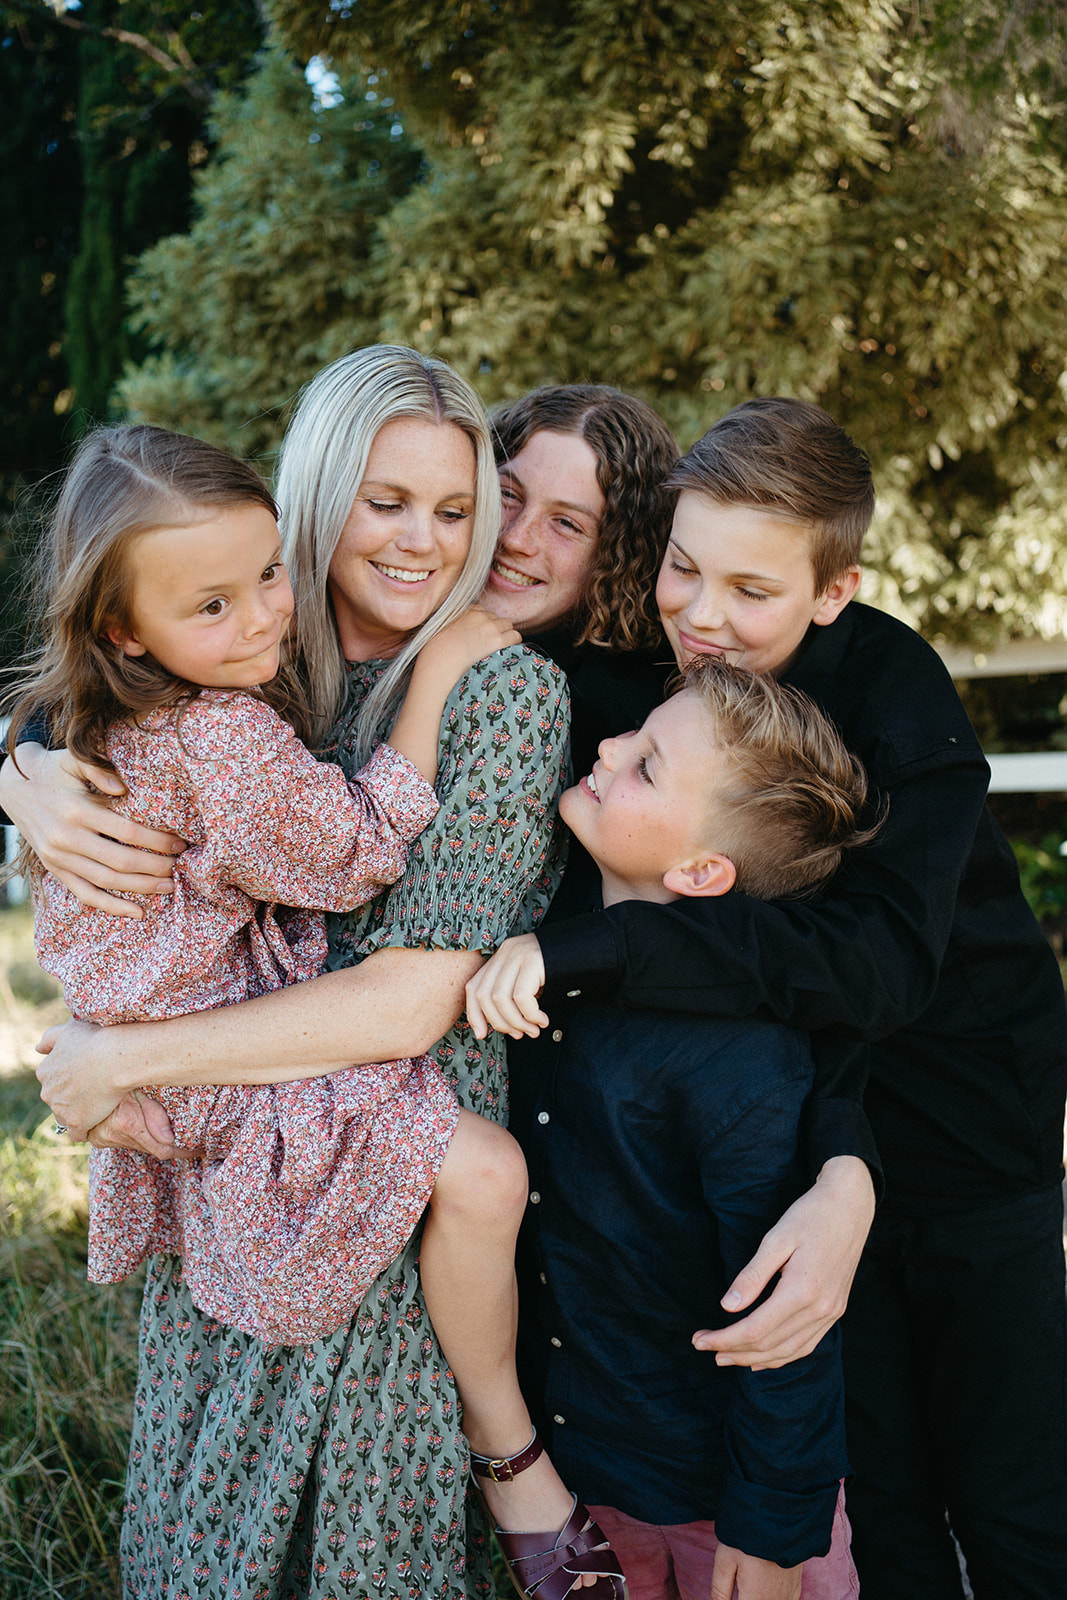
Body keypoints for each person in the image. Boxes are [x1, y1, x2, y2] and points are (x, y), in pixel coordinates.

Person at [2, 350, 631, 1600]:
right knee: (207, 1518)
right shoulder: (243, 641)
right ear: (317, 488)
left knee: (358, 1533)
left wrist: (118, 1062)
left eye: (455, 511)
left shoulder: (494, 693)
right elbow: (84, 679)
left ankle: (508, 1468)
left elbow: (409, 1000)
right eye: (384, 501)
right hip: (239, 1140)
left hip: (387, 1141)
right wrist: (21, 763)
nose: (422, 542)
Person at [472, 398, 1067, 1600]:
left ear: (832, 589)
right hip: (768, 1130)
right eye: (683, 569)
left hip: (963, 1130)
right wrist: (39, 745)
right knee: (879, 1487)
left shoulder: (891, 686)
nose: (703, 616)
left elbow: (873, 969)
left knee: (1010, 1498)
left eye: (750, 588)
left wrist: (607, 949)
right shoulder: (657, 677)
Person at [467, 656, 875, 1600]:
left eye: (646, 764)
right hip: (582, 1492)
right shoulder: (544, 971)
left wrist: (773, 1536)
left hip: (717, 1512)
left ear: (700, 869)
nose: (606, 747)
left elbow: (784, 1325)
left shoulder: (743, 1063)